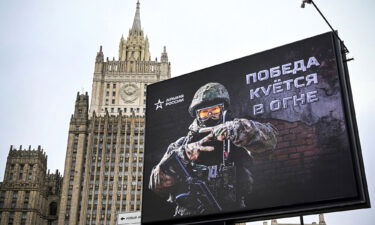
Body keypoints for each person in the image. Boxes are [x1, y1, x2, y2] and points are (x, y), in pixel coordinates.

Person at [149, 82, 277, 216]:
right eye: (204, 113)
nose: (210, 116)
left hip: (229, 214)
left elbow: (270, 142)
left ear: (223, 110)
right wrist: (182, 156)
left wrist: (240, 129)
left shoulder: (237, 138)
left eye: (215, 111)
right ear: (198, 116)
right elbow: (156, 185)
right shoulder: (181, 144)